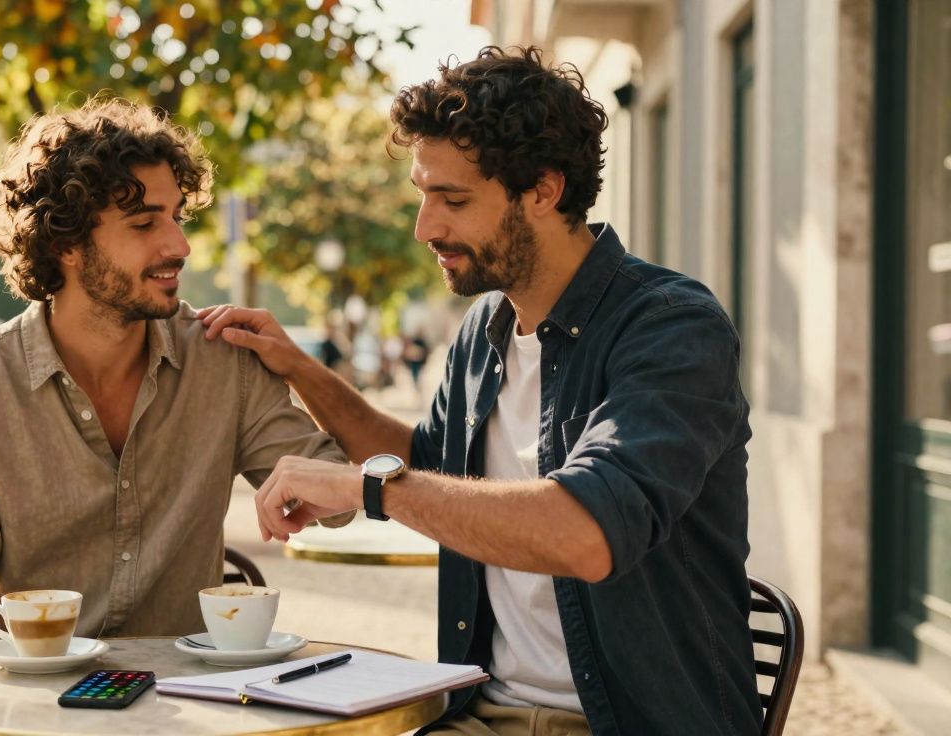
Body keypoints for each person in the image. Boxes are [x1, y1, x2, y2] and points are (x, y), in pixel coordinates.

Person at [199, 46, 760, 736]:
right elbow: (433, 469)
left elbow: (588, 534)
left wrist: (365, 488)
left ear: (544, 191)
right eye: (422, 195)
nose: (425, 227)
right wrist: (299, 369)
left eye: (453, 200)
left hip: (628, 721)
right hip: (472, 711)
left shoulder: (671, 327)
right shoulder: (483, 330)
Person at [0, 99, 348, 662]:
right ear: (65, 243)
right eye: (143, 223)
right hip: (46, 716)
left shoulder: (223, 362)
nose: (179, 246)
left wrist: (304, 379)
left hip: (197, 707)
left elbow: (340, 501)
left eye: (177, 217)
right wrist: (38, 708)